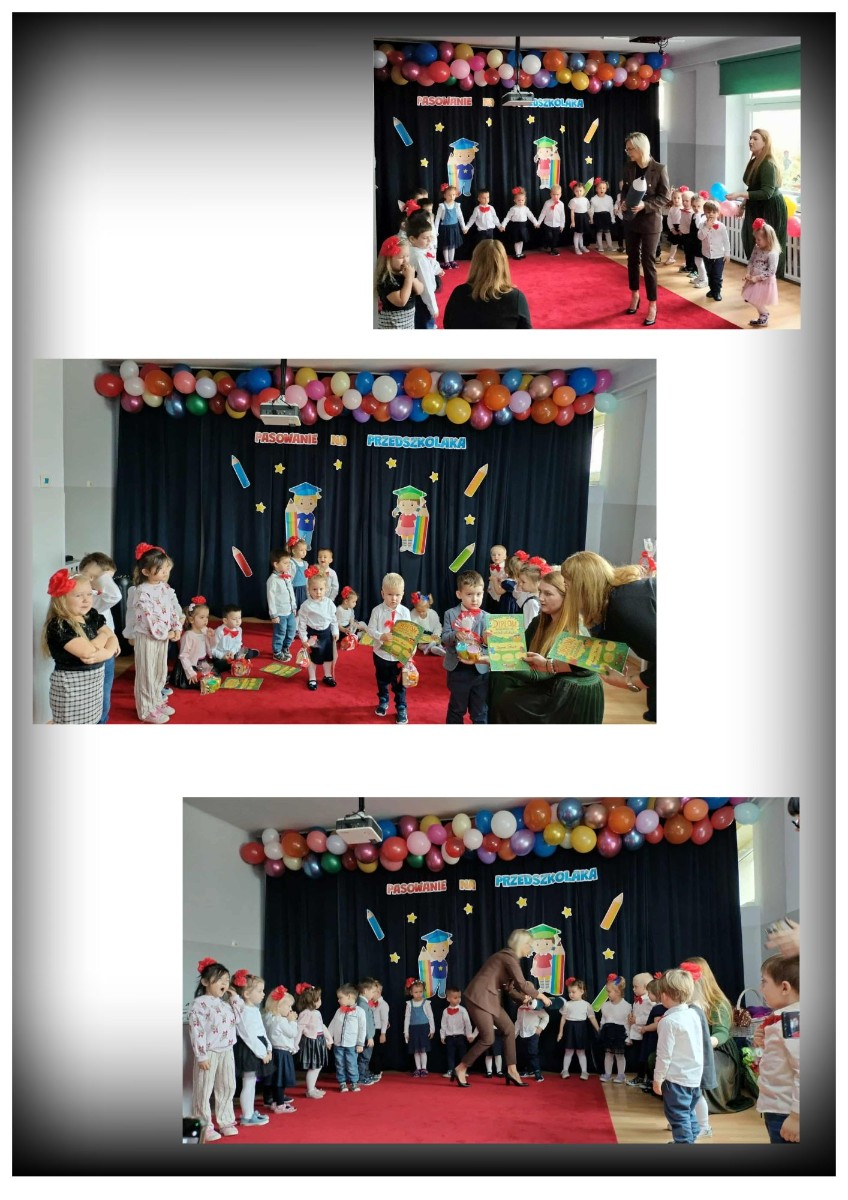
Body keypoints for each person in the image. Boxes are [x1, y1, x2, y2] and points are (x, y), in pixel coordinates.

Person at [487, 569, 604, 724]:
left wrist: (496, 660)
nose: (540, 598)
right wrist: (493, 640)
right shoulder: (540, 621)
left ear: (566, 597)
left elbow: (539, 675)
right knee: (497, 679)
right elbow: (520, 647)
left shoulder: (572, 632)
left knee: (507, 702)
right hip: (550, 681)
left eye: (548, 594)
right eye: (540, 591)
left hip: (565, 693)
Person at [559, 550, 657, 722]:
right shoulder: (612, 603)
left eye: (567, 586)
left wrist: (630, 682)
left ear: (583, 586)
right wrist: (549, 664)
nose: (566, 593)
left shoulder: (624, 606)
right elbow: (599, 649)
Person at [452, 929, 554, 1088]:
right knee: (488, 1038)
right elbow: (522, 984)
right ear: (521, 944)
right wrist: (540, 996)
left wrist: (523, 999)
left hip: (490, 999)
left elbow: (510, 988)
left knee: (509, 1029)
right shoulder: (508, 957)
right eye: (529, 944)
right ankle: (461, 1068)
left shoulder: (510, 959)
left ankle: (512, 1071)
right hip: (479, 997)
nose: (530, 948)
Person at [42, 569, 118, 724]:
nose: (86, 600)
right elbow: (89, 653)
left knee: (93, 720)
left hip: (94, 685)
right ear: (62, 599)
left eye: (89, 594)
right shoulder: (59, 625)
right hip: (71, 689)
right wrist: (105, 638)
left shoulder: (91, 615)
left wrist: (106, 651)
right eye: (78, 595)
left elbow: (113, 637)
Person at [686, 955, 755, 1113]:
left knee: (704, 1066)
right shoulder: (686, 1003)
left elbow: (721, 1034)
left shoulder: (718, 1003)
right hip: (695, 1047)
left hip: (720, 1049)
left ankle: (699, 1104)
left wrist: (703, 1045)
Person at [126, 543, 183, 723]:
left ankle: (156, 701)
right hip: (148, 637)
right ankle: (145, 710)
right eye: (160, 569)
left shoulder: (163, 587)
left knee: (160, 671)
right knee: (146, 674)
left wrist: (176, 627)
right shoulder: (141, 592)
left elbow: (171, 609)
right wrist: (166, 633)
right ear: (146, 572)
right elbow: (149, 618)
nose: (165, 572)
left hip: (162, 636)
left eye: (166, 568)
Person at [188, 957, 242, 1142]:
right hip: (209, 1052)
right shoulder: (199, 1003)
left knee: (227, 1086)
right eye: (219, 980)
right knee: (203, 1089)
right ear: (205, 982)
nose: (224, 983)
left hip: (227, 1050)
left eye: (226, 980)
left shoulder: (225, 1003)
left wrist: (234, 997)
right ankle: (204, 1125)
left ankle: (226, 1121)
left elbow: (238, 1018)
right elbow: (197, 1029)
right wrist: (201, 1055)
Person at [620, 132, 671, 326]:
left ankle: (652, 304)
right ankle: (635, 295)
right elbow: (625, 190)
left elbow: (665, 197)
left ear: (640, 148)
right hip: (631, 220)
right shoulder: (628, 167)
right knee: (632, 259)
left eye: (630, 149)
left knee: (648, 262)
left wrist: (645, 205)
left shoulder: (659, 169)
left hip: (650, 222)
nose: (628, 152)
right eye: (627, 149)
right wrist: (623, 202)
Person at [727, 128, 788, 278]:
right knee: (752, 241)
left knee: (767, 247)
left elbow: (766, 192)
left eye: (755, 138)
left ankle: (766, 282)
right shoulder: (755, 161)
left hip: (769, 208)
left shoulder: (768, 164)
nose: (750, 141)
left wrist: (740, 194)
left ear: (765, 142)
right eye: (750, 138)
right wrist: (743, 205)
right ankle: (756, 279)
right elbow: (753, 188)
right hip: (756, 206)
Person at [652, 969, 704, 1144]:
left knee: (677, 1115)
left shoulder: (668, 1022)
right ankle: (691, 1137)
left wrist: (657, 1079)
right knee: (688, 1111)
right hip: (694, 1078)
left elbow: (663, 1055)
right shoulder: (694, 1014)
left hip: (676, 1080)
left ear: (664, 996)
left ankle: (684, 1143)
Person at [754, 954, 800, 1142]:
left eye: (764, 982)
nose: (761, 988)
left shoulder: (793, 1020)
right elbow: (779, 1058)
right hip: (778, 1107)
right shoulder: (784, 1019)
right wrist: (762, 1044)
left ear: (785, 987)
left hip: (786, 1111)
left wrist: (796, 1116)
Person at [442, 240, 532, 330]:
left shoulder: (458, 293)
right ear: (503, 264)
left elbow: (448, 325)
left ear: (475, 263)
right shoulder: (516, 298)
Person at [441, 569, 489, 725]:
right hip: (458, 669)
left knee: (480, 711)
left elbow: (490, 648)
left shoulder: (487, 617)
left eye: (478, 594)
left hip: (480, 669)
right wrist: (455, 634)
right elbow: (444, 640)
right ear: (459, 594)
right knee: (457, 708)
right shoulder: (450, 614)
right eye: (469, 594)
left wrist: (487, 641)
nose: (475, 599)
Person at [78, 552, 121, 723]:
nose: (96, 581)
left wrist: (113, 640)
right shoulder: (88, 600)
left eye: (105, 579)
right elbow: (115, 595)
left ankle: (102, 722)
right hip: (90, 653)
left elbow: (109, 624)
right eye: (92, 576)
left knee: (104, 696)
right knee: (90, 699)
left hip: (107, 652)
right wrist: (94, 577)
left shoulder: (99, 597)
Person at [367, 572, 412, 723]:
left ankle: (401, 707)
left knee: (400, 684)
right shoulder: (377, 611)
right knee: (382, 680)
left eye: (397, 595)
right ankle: (383, 699)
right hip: (381, 655)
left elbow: (410, 634)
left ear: (403, 594)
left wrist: (410, 653)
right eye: (390, 594)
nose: (394, 598)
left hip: (399, 656)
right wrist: (381, 636)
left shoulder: (405, 612)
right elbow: (370, 630)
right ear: (382, 594)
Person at [230, 970, 272, 1126]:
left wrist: (268, 1048)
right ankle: (247, 1116)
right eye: (259, 991)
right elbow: (247, 1034)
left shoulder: (253, 1009)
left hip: (258, 1047)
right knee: (248, 1082)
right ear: (247, 994)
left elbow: (261, 1031)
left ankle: (249, 1111)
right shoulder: (244, 1011)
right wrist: (262, 1052)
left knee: (251, 1082)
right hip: (249, 1050)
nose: (263, 994)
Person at [296, 567, 339, 691]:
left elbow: (333, 619)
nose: (318, 592)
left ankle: (327, 675)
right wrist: (304, 639)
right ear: (308, 589)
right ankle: (312, 678)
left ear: (326, 589)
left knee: (328, 657)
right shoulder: (306, 606)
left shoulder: (329, 603)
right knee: (313, 658)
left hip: (327, 635)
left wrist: (335, 631)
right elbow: (302, 624)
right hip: (313, 636)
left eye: (321, 589)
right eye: (314, 589)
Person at [261, 984, 299, 1113]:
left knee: (272, 1079)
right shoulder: (281, 1021)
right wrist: (292, 1021)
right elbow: (292, 1033)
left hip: (273, 1051)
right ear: (278, 1006)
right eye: (288, 1006)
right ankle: (280, 1104)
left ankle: (270, 1100)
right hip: (282, 1053)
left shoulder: (268, 1017)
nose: (290, 1009)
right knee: (280, 1080)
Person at [374, 235, 423, 329]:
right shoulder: (386, 279)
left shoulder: (406, 273)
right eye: (401, 257)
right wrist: (408, 279)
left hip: (408, 322)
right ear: (388, 259)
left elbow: (420, 290)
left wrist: (412, 278)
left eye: (407, 256)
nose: (405, 260)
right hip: (392, 324)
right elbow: (401, 301)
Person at [326, 983, 366, 1094]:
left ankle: (354, 1082)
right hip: (338, 1044)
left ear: (349, 996)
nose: (338, 1000)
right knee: (340, 1064)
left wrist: (360, 1043)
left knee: (352, 1063)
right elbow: (333, 1024)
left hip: (351, 1044)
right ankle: (342, 1082)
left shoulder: (360, 1012)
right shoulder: (338, 1011)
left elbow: (362, 1029)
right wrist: (329, 1039)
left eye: (340, 998)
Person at [405, 212, 442, 329]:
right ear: (412, 239)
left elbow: (430, 265)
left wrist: (437, 269)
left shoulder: (416, 251)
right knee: (424, 324)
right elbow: (426, 285)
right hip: (422, 300)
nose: (429, 240)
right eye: (425, 238)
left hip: (419, 299)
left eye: (430, 236)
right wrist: (433, 307)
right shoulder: (419, 258)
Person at [557, 977, 599, 1078]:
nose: (571, 994)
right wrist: (560, 1032)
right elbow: (563, 1019)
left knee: (581, 1051)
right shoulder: (567, 1004)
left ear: (581, 991)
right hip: (570, 1029)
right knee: (568, 1051)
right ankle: (565, 1070)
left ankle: (584, 1071)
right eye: (569, 992)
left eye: (573, 992)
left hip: (581, 1030)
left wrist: (598, 1029)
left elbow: (592, 1018)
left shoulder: (586, 1005)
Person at [742, 219, 781, 327]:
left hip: (764, 281)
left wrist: (757, 278)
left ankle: (764, 314)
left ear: (768, 239)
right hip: (753, 277)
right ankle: (762, 316)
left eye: (759, 239)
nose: (756, 241)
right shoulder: (757, 247)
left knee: (754, 299)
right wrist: (748, 273)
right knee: (750, 298)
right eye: (756, 239)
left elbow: (771, 271)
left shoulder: (773, 253)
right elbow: (751, 260)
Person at [294, 983, 331, 1099]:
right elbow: (299, 1028)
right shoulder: (305, 1013)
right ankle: (310, 1090)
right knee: (314, 1066)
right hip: (311, 1043)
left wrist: (329, 1039)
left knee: (318, 1066)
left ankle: (312, 1087)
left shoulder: (317, 1013)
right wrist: (295, 1044)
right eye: (318, 999)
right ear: (311, 1001)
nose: (320, 1001)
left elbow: (322, 1026)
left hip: (319, 1041)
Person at [172, 597, 216, 688]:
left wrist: (211, 637)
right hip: (190, 666)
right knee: (202, 683)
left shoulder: (204, 630)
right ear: (191, 620)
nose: (206, 620)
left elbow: (211, 647)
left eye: (207, 617)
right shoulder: (188, 635)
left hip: (202, 663)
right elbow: (183, 656)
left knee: (215, 677)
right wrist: (191, 673)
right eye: (202, 617)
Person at [267, 548, 298, 662]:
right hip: (280, 613)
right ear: (276, 564)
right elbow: (270, 599)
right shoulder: (272, 580)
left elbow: (291, 593)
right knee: (280, 632)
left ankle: (285, 648)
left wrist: (294, 606)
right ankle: (277, 652)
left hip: (290, 611)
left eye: (289, 563)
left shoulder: (287, 576)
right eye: (285, 563)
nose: (288, 565)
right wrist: (273, 615)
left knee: (291, 631)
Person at [209, 604, 259, 675]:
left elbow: (238, 644)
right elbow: (211, 649)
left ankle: (237, 661)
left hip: (233, 654)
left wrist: (232, 652)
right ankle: (236, 663)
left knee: (248, 652)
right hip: (221, 656)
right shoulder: (219, 631)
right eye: (234, 619)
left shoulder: (239, 629)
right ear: (225, 621)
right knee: (219, 665)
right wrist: (222, 656)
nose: (238, 621)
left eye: (239, 618)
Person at [599, 974, 631, 1083]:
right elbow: (603, 1019)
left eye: (609, 991)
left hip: (619, 1033)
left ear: (618, 991)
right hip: (608, 1032)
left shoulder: (626, 1006)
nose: (607, 994)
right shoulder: (605, 1005)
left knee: (619, 1055)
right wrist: (601, 1030)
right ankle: (607, 1074)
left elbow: (627, 1023)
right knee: (608, 1054)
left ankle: (621, 1075)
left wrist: (628, 1037)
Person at [698, 199, 731, 302]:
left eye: (713, 212)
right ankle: (712, 290)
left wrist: (727, 253)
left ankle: (717, 292)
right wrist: (707, 227)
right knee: (710, 274)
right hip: (706, 255)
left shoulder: (721, 226)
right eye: (708, 212)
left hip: (719, 256)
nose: (711, 214)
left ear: (718, 213)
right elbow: (700, 237)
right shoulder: (702, 224)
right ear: (705, 213)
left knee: (717, 275)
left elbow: (726, 241)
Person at [626, 972, 655, 1084]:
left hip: (645, 1034)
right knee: (638, 1057)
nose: (633, 989)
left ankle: (644, 1078)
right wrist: (631, 1018)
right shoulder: (637, 1001)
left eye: (636, 986)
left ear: (646, 987)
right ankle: (641, 1077)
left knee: (644, 1058)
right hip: (636, 1034)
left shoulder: (650, 1001)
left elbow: (649, 1018)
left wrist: (636, 1020)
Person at [440, 986, 476, 1078]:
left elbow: (467, 1023)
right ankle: (450, 1071)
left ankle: (463, 1070)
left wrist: (469, 1035)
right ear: (448, 999)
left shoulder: (463, 1010)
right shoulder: (445, 1011)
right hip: (449, 1037)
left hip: (461, 1036)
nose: (458, 999)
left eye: (459, 997)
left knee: (463, 1055)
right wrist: (442, 1036)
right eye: (455, 997)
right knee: (450, 1055)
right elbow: (443, 1024)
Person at [403, 978, 435, 1077]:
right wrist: (406, 1032)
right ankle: (418, 1068)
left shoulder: (426, 1003)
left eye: (420, 992)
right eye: (416, 992)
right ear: (411, 992)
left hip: (424, 1028)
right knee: (416, 1050)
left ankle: (424, 1068)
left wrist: (432, 1029)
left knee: (423, 1050)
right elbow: (407, 1018)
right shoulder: (409, 1004)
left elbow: (431, 1016)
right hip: (413, 1029)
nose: (418, 994)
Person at [500, 186, 539, 259]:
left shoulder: (526, 208)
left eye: (522, 200)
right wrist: (503, 225)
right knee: (517, 241)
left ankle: (520, 253)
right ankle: (517, 253)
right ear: (515, 200)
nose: (521, 202)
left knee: (521, 241)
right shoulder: (513, 209)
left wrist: (536, 223)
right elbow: (507, 218)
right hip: (516, 227)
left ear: (525, 200)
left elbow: (531, 216)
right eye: (519, 200)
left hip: (523, 227)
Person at [434, 183, 467, 270]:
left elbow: (460, 217)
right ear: (444, 195)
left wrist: (463, 227)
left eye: (453, 195)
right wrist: (435, 230)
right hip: (445, 228)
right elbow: (437, 219)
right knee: (445, 245)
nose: (452, 197)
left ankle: (451, 260)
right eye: (449, 195)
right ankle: (446, 261)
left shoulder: (457, 205)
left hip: (454, 228)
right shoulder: (442, 206)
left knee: (452, 245)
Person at [355, 977, 381, 1087]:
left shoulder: (364, 1003)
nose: (374, 994)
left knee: (366, 1057)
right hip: (366, 1037)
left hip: (368, 1036)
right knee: (364, 1058)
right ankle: (361, 1077)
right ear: (365, 991)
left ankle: (365, 1074)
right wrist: (369, 1036)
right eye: (373, 991)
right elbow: (364, 1023)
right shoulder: (362, 1004)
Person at [516, 998, 549, 1082]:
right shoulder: (520, 1008)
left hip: (532, 1034)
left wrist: (540, 1028)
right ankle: (529, 1071)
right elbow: (518, 1021)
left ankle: (537, 1072)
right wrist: (514, 1034)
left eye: (527, 995)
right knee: (524, 1052)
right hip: (523, 1034)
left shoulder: (536, 1007)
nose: (524, 997)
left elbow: (546, 1017)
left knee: (533, 1053)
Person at [409, 591, 446, 656]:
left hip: (432, 634)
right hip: (421, 635)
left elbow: (437, 626)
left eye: (423, 611)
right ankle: (430, 648)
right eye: (418, 611)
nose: (421, 613)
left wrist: (436, 634)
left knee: (437, 640)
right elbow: (412, 628)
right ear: (415, 608)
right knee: (420, 646)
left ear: (428, 607)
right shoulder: (412, 614)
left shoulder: (433, 614)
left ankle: (437, 647)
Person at [537, 184, 565, 255]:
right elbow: (543, 213)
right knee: (549, 236)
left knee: (555, 238)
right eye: (553, 194)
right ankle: (546, 243)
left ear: (561, 194)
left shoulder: (561, 204)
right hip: (548, 224)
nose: (555, 196)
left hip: (557, 225)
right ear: (550, 194)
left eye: (557, 194)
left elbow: (562, 215)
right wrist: (539, 222)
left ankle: (553, 249)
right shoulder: (547, 203)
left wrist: (562, 225)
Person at [589, 178, 615, 252]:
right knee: (599, 232)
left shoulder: (609, 198)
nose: (602, 189)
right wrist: (591, 218)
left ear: (606, 189)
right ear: (596, 189)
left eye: (604, 188)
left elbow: (611, 209)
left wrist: (612, 218)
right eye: (600, 188)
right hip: (598, 217)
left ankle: (610, 246)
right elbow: (591, 210)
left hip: (606, 216)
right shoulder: (594, 199)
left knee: (607, 232)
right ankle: (600, 246)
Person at [515, 563, 542, 629]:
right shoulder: (534, 597)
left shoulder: (531, 602)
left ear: (536, 583)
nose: (520, 584)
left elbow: (529, 625)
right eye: (519, 581)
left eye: (523, 582)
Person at [567, 180, 591, 254]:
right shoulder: (573, 200)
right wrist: (573, 222)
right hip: (577, 218)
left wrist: (590, 218)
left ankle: (582, 246)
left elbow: (588, 210)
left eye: (580, 191)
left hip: (584, 217)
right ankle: (576, 248)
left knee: (581, 233)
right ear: (574, 192)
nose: (579, 192)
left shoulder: (586, 200)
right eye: (576, 191)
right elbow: (572, 212)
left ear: (584, 191)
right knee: (577, 233)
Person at [661, 189, 684, 265]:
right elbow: (669, 219)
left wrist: (682, 229)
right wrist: (672, 228)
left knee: (686, 245)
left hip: (683, 228)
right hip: (674, 228)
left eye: (678, 198)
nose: (676, 200)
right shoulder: (672, 208)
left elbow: (685, 219)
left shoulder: (683, 208)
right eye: (674, 198)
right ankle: (671, 258)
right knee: (674, 244)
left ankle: (688, 262)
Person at [287, 536, 309, 608]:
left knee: (303, 607)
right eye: (301, 550)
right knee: (294, 606)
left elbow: (306, 578)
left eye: (305, 550)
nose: (304, 552)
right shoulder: (291, 562)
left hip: (303, 589)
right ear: (294, 551)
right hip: (294, 589)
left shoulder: (305, 563)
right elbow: (288, 577)